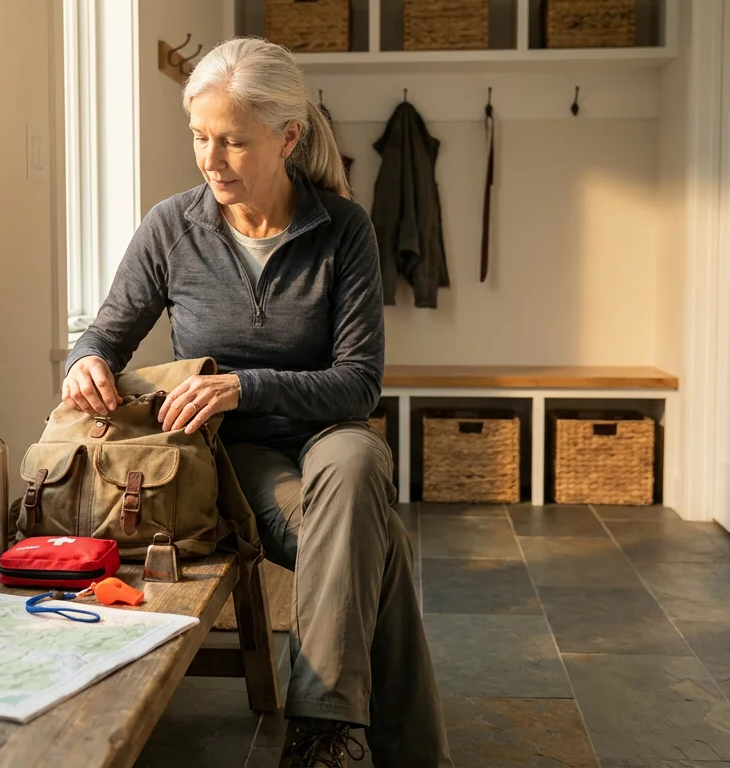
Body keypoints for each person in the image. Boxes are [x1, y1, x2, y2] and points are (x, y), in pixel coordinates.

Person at [61, 36, 452, 768]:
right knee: (378, 543)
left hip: (328, 441)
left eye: (234, 142)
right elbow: (105, 335)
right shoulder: (171, 228)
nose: (211, 160)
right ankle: (345, 737)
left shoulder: (344, 230)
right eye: (200, 138)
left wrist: (247, 383)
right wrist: (83, 364)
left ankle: (319, 731)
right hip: (233, 456)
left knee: (360, 456)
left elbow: (360, 382)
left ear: (288, 137)